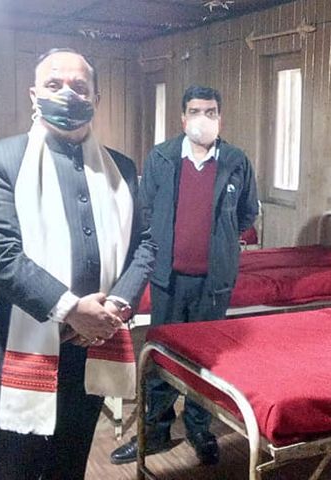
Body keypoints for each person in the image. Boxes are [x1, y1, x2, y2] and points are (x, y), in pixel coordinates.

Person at [0, 48, 154, 479]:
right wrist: (72, 309)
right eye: (54, 85)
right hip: (24, 344)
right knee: (14, 469)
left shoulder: (121, 167)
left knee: (70, 465)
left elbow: (146, 243)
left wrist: (115, 308)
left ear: (95, 98)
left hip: (93, 344)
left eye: (79, 87)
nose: (67, 94)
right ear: (33, 94)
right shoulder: (4, 159)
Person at [110, 85, 259, 466]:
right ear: (182, 118)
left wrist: (222, 241)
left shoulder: (236, 161)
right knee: (162, 357)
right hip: (169, 280)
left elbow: (247, 213)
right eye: (195, 111)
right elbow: (145, 210)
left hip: (214, 283)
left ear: (220, 117)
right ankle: (155, 432)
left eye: (211, 112)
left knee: (207, 361)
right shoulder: (161, 157)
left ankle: (198, 428)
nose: (202, 119)